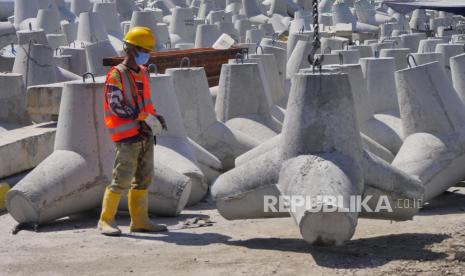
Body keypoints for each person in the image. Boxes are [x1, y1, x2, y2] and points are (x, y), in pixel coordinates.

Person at [98, 26, 168, 236]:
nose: (147, 55)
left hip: (145, 133)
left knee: (144, 178)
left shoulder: (143, 72)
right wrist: (142, 117)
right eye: (144, 50)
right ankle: (105, 220)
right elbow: (116, 105)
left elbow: (145, 102)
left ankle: (139, 221)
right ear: (131, 49)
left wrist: (155, 116)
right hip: (126, 135)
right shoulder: (116, 75)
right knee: (121, 178)